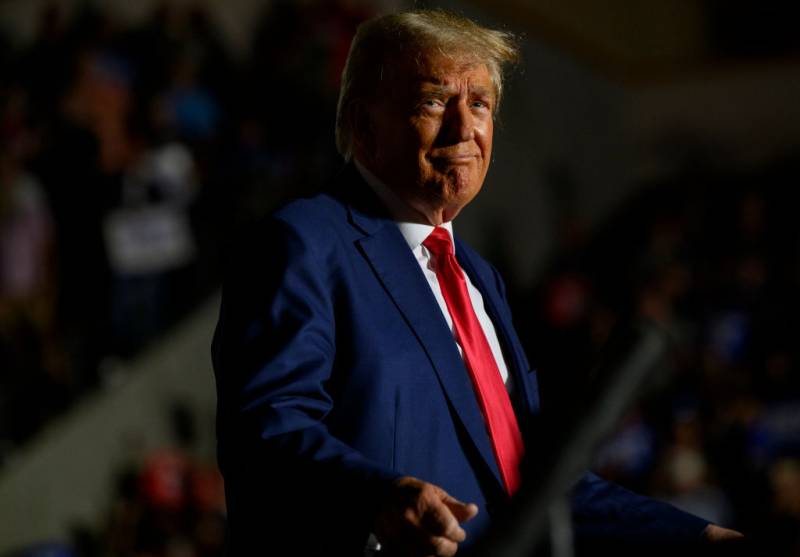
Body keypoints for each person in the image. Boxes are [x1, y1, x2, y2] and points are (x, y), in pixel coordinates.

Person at [212, 9, 742, 556]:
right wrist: (378, 498)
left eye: (481, 104)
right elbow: (266, 433)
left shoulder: (479, 278)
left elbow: (538, 485)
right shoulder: (302, 243)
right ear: (364, 126)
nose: (465, 128)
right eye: (434, 101)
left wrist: (702, 537)